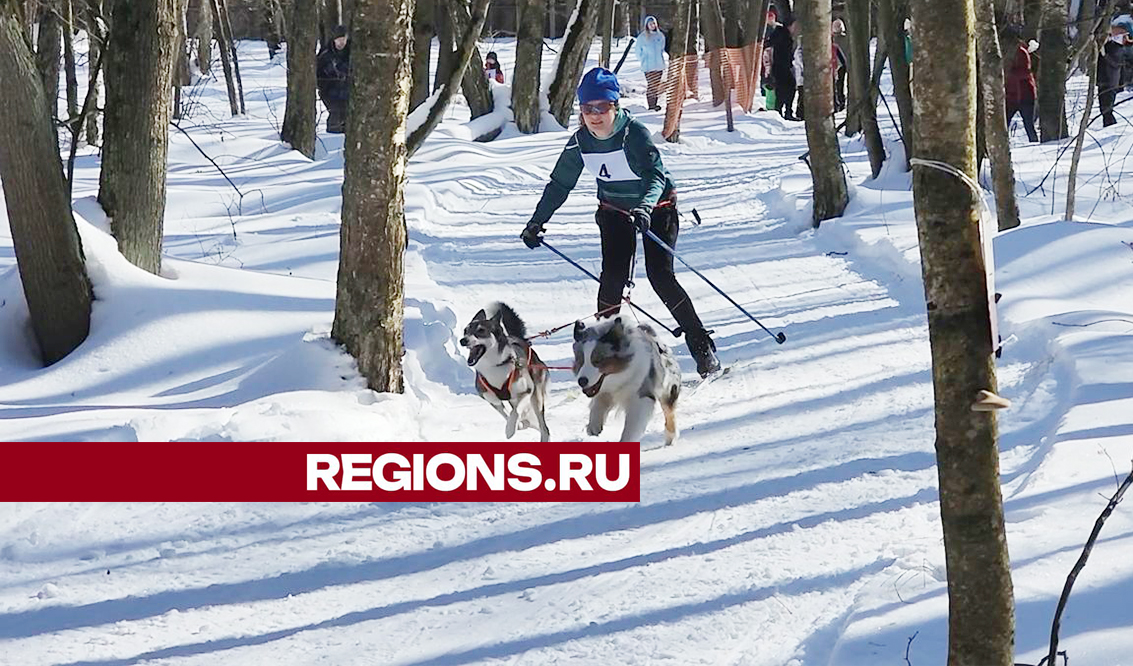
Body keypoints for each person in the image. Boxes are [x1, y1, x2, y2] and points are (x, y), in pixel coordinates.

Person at [520, 68, 721, 378]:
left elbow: (656, 176)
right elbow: (560, 184)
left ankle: (702, 346)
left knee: (660, 276)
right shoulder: (581, 142)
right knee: (612, 279)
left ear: (615, 105)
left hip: (658, 206)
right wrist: (537, 221)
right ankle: (606, 353)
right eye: (587, 108)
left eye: (602, 107)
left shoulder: (634, 134)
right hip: (614, 209)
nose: (594, 115)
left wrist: (645, 206)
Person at [1003, 26, 1038, 142]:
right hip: (1011, 96)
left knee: (1029, 125)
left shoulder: (1021, 52)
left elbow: (1025, 72)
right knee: (1004, 124)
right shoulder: (1006, 52)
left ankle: (1035, 145)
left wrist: (1008, 74)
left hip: (1025, 96)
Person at [316, 25, 350, 133]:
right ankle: (332, 137)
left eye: (343, 40)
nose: (341, 43)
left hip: (348, 91)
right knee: (335, 114)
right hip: (330, 92)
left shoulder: (352, 52)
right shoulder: (326, 54)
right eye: (338, 40)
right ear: (334, 40)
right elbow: (318, 74)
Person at [766, 15, 800, 120]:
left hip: (785, 65)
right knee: (784, 89)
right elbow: (771, 43)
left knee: (789, 88)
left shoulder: (785, 34)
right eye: (795, 25)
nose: (796, 28)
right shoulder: (781, 34)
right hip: (780, 66)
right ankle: (780, 111)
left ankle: (785, 111)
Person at [1100, 18, 1132, 126]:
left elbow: (1116, 63)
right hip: (1108, 77)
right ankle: (1108, 119)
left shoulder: (1118, 48)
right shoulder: (1114, 46)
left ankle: (1108, 119)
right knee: (1106, 97)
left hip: (1111, 78)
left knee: (1108, 98)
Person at [636, 16, 667, 111]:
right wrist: (643, 59)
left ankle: (655, 103)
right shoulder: (642, 37)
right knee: (651, 85)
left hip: (658, 65)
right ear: (646, 25)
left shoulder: (660, 36)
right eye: (650, 24)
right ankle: (651, 104)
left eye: (653, 24)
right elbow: (638, 51)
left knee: (656, 85)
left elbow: (662, 48)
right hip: (648, 66)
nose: (652, 26)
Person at [831, 19, 848, 112]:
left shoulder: (832, 40)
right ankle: (841, 101)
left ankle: (838, 101)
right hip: (842, 64)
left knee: (837, 84)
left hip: (836, 64)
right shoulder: (847, 39)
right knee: (840, 84)